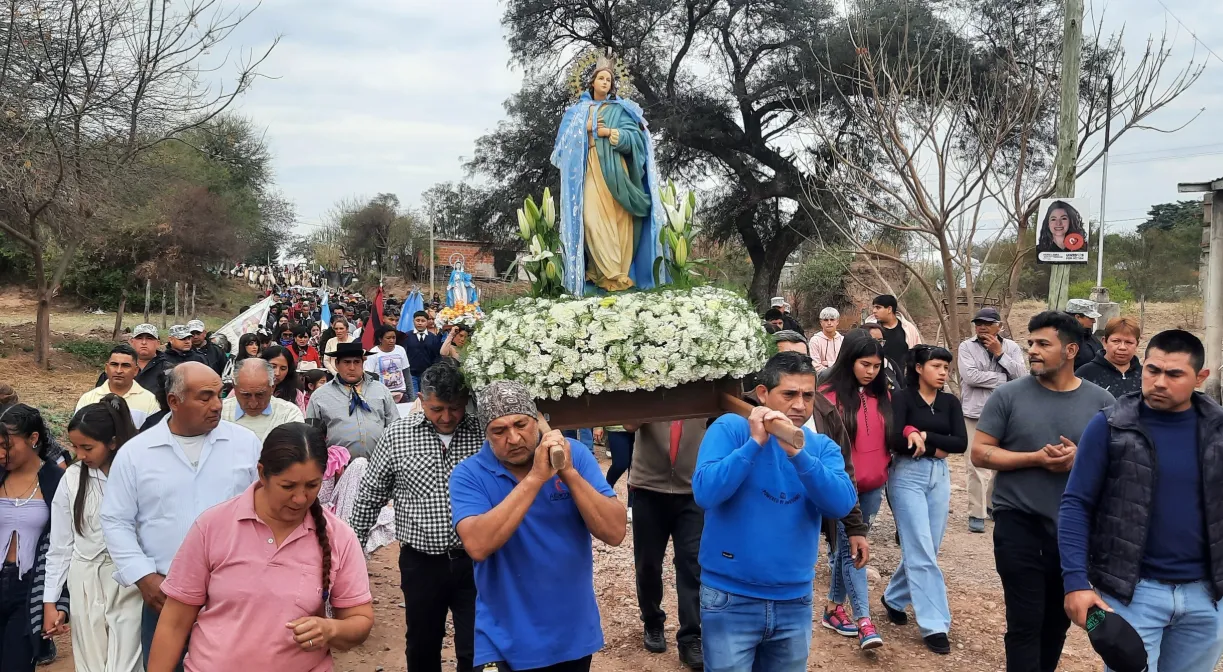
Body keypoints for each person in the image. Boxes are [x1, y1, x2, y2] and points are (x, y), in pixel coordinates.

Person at [147, 423, 374, 671]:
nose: (300, 498)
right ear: (262, 474)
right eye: (288, 486)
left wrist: (331, 629)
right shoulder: (213, 526)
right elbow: (174, 622)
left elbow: (360, 619)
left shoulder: (338, 536)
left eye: (312, 485)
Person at [1060, 329, 1223, 672]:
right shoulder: (1110, 426)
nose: (1160, 382)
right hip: (1133, 595)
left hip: (1206, 597)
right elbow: (1076, 504)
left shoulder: (1218, 430)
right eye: (1153, 370)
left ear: (1200, 377)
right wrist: (1075, 582)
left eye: (1174, 374)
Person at [969, 311, 1114, 672]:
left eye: (1042, 344)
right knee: (1025, 620)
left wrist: (1082, 457)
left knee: (1057, 622)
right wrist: (1035, 458)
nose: (1032, 350)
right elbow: (981, 452)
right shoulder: (1008, 395)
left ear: (1070, 350)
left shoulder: (1102, 402)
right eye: (1031, 343)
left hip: (1074, 532)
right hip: (1019, 523)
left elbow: (1119, 462)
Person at [694, 352, 857, 672]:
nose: (800, 405)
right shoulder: (731, 429)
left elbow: (841, 503)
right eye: (790, 394)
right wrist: (754, 444)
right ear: (763, 394)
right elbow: (705, 491)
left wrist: (799, 456)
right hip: (730, 597)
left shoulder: (821, 447)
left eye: (808, 395)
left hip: (794, 601)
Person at [450, 381, 627, 671]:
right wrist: (535, 478)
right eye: (499, 430)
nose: (514, 437)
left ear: (538, 421)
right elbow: (478, 545)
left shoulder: (575, 456)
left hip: (571, 633)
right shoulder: (469, 473)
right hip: (505, 638)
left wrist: (567, 471)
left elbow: (614, 532)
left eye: (521, 424)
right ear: (485, 434)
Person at [100, 362, 262, 671]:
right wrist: (143, 576)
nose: (217, 405)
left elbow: (261, 512)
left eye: (219, 394)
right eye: (205, 397)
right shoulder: (136, 453)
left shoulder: (245, 446)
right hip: (165, 597)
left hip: (235, 596)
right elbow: (116, 520)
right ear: (174, 401)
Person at [349, 361, 481, 672]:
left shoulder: (482, 432)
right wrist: (352, 550)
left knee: (477, 647)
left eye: (455, 408)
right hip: (421, 564)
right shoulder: (398, 435)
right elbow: (370, 495)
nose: (447, 417)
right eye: (437, 409)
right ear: (421, 399)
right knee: (422, 644)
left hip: (477, 563)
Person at [552, 49, 664, 295]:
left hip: (617, 172)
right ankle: (603, 271)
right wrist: (587, 129)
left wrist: (610, 134)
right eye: (601, 78)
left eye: (609, 80)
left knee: (619, 220)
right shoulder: (576, 113)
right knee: (591, 220)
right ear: (591, 81)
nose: (605, 82)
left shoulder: (621, 110)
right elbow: (561, 150)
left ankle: (618, 275)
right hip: (590, 170)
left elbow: (637, 139)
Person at [44, 396, 143, 672]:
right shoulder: (73, 477)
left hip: (130, 584)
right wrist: (50, 601)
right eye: (75, 447)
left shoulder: (138, 473)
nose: (80, 455)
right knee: (91, 664)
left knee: (127, 664)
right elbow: (61, 545)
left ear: (112, 442)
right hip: (84, 579)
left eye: (87, 447)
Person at [881, 345, 966, 655]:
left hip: (939, 477)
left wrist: (925, 437)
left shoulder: (950, 402)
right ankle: (935, 624)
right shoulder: (902, 397)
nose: (943, 372)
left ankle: (892, 598)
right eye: (936, 366)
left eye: (946, 366)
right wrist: (932, 445)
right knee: (919, 548)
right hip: (906, 476)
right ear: (918, 368)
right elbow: (893, 439)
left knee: (927, 548)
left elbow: (960, 443)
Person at [818, 331, 892, 651]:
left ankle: (834, 609)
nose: (871, 371)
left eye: (877, 365)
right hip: (840, 490)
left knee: (849, 551)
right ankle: (864, 621)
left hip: (873, 487)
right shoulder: (825, 397)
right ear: (848, 360)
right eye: (865, 364)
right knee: (853, 552)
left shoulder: (882, 395)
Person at [621, 418, 706, 669]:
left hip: (692, 490)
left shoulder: (702, 386)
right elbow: (628, 424)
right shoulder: (650, 382)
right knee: (647, 564)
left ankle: (691, 636)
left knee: (692, 565)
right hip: (648, 487)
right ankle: (652, 621)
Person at [0, 405, 68, 672]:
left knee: (15, 665)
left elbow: (64, 546)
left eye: (8, 446)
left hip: (29, 590)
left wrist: (58, 602)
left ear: (33, 439)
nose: (2, 453)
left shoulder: (57, 482)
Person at [958, 307, 1027, 534]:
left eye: (988, 323)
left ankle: (991, 505)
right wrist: (1004, 378)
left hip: (1007, 413)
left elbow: (1022, 376)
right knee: (974, 464)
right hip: (974, 413)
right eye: (978, 323)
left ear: (1000, 326)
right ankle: (976, 513)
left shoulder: (1012, 348)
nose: (982, 327)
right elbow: (970, 377)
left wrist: (1000, 355)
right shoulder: (966, 347)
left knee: (1001, 463)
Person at [306, 342, 398, 460]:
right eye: (346, 362)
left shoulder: (381, 390)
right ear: (337, 364)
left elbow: (394, 427)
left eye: (356, 362)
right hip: (339, 470)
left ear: (363, 363)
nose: (352, 367)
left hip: (379, 466)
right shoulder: (319, 396)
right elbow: (311, 437)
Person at [221, 359, 306, 442]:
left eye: (260, 395)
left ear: (272, 387)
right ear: (234, 387)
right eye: (246, 395)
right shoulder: (220, 412)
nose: (253, 404)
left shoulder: (289, 414)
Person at [77, 343, 161, 421]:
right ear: (106, 368)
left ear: (135, 371)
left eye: (125, 366)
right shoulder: (88, 399)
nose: (119, 370)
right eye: (114, 364)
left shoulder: (150, 402)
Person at [1074, 316, 1142, 399]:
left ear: (1137, 344)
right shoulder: (1085, 373)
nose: (1122, 347)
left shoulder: (1145, 374)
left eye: (1129, 342)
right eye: (1116, 341)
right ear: (1104, 342)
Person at [95, 324, 168, 395]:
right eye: (139, 338)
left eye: (149, 338)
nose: (144, 342)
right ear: (132, 342)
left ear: (158, 343)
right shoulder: (115, 368)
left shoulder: (168, 370)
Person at [865, 295, 922, 372]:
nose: (874, 311)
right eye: (874, 307)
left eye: (878, 307)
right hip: (877, 377)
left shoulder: (908, 329)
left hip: (903, 380)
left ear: (889, 309)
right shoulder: (869, 329)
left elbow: (918, 354)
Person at [364, 326, 413, 403]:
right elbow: (368, 377)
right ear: (380, 339)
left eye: (394, 338)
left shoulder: (400, 350)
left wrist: (411, 396)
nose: (392, 340)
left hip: (401, 394)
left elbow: (407, 374)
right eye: (388, 338)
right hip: (382, 395)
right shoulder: (373, 353)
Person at [402, 311, 441, 394]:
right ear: (413, 321)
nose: (420, 323)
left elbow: (436, 356)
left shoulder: (433, 338)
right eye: (417, 320)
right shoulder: (406, 337)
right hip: (411, 374)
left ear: (427, 322)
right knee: (414, 397)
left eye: (422, 321)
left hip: (427, 374)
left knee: (427, 397)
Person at [263, 345, 310, 414]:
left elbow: (300, 422)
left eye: (283, 369)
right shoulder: (249, 389)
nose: (277, 373)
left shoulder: (296, 395)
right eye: (273, 366)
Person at [1066, 299, 1104, 371]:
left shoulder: (1089, 336)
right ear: (1077, 317)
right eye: (1090, 317)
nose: (1094, 321)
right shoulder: (1064, 339)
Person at [810, 308, 843, 373]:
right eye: (826, 320)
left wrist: (828, 363)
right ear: (821, 322)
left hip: (842, 379)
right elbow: (816, 366)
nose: (829, 323)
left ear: (837, 322)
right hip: (822, 380)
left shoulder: (843, 340)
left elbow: (845, 364)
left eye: (832, 320)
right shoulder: (815, 340)